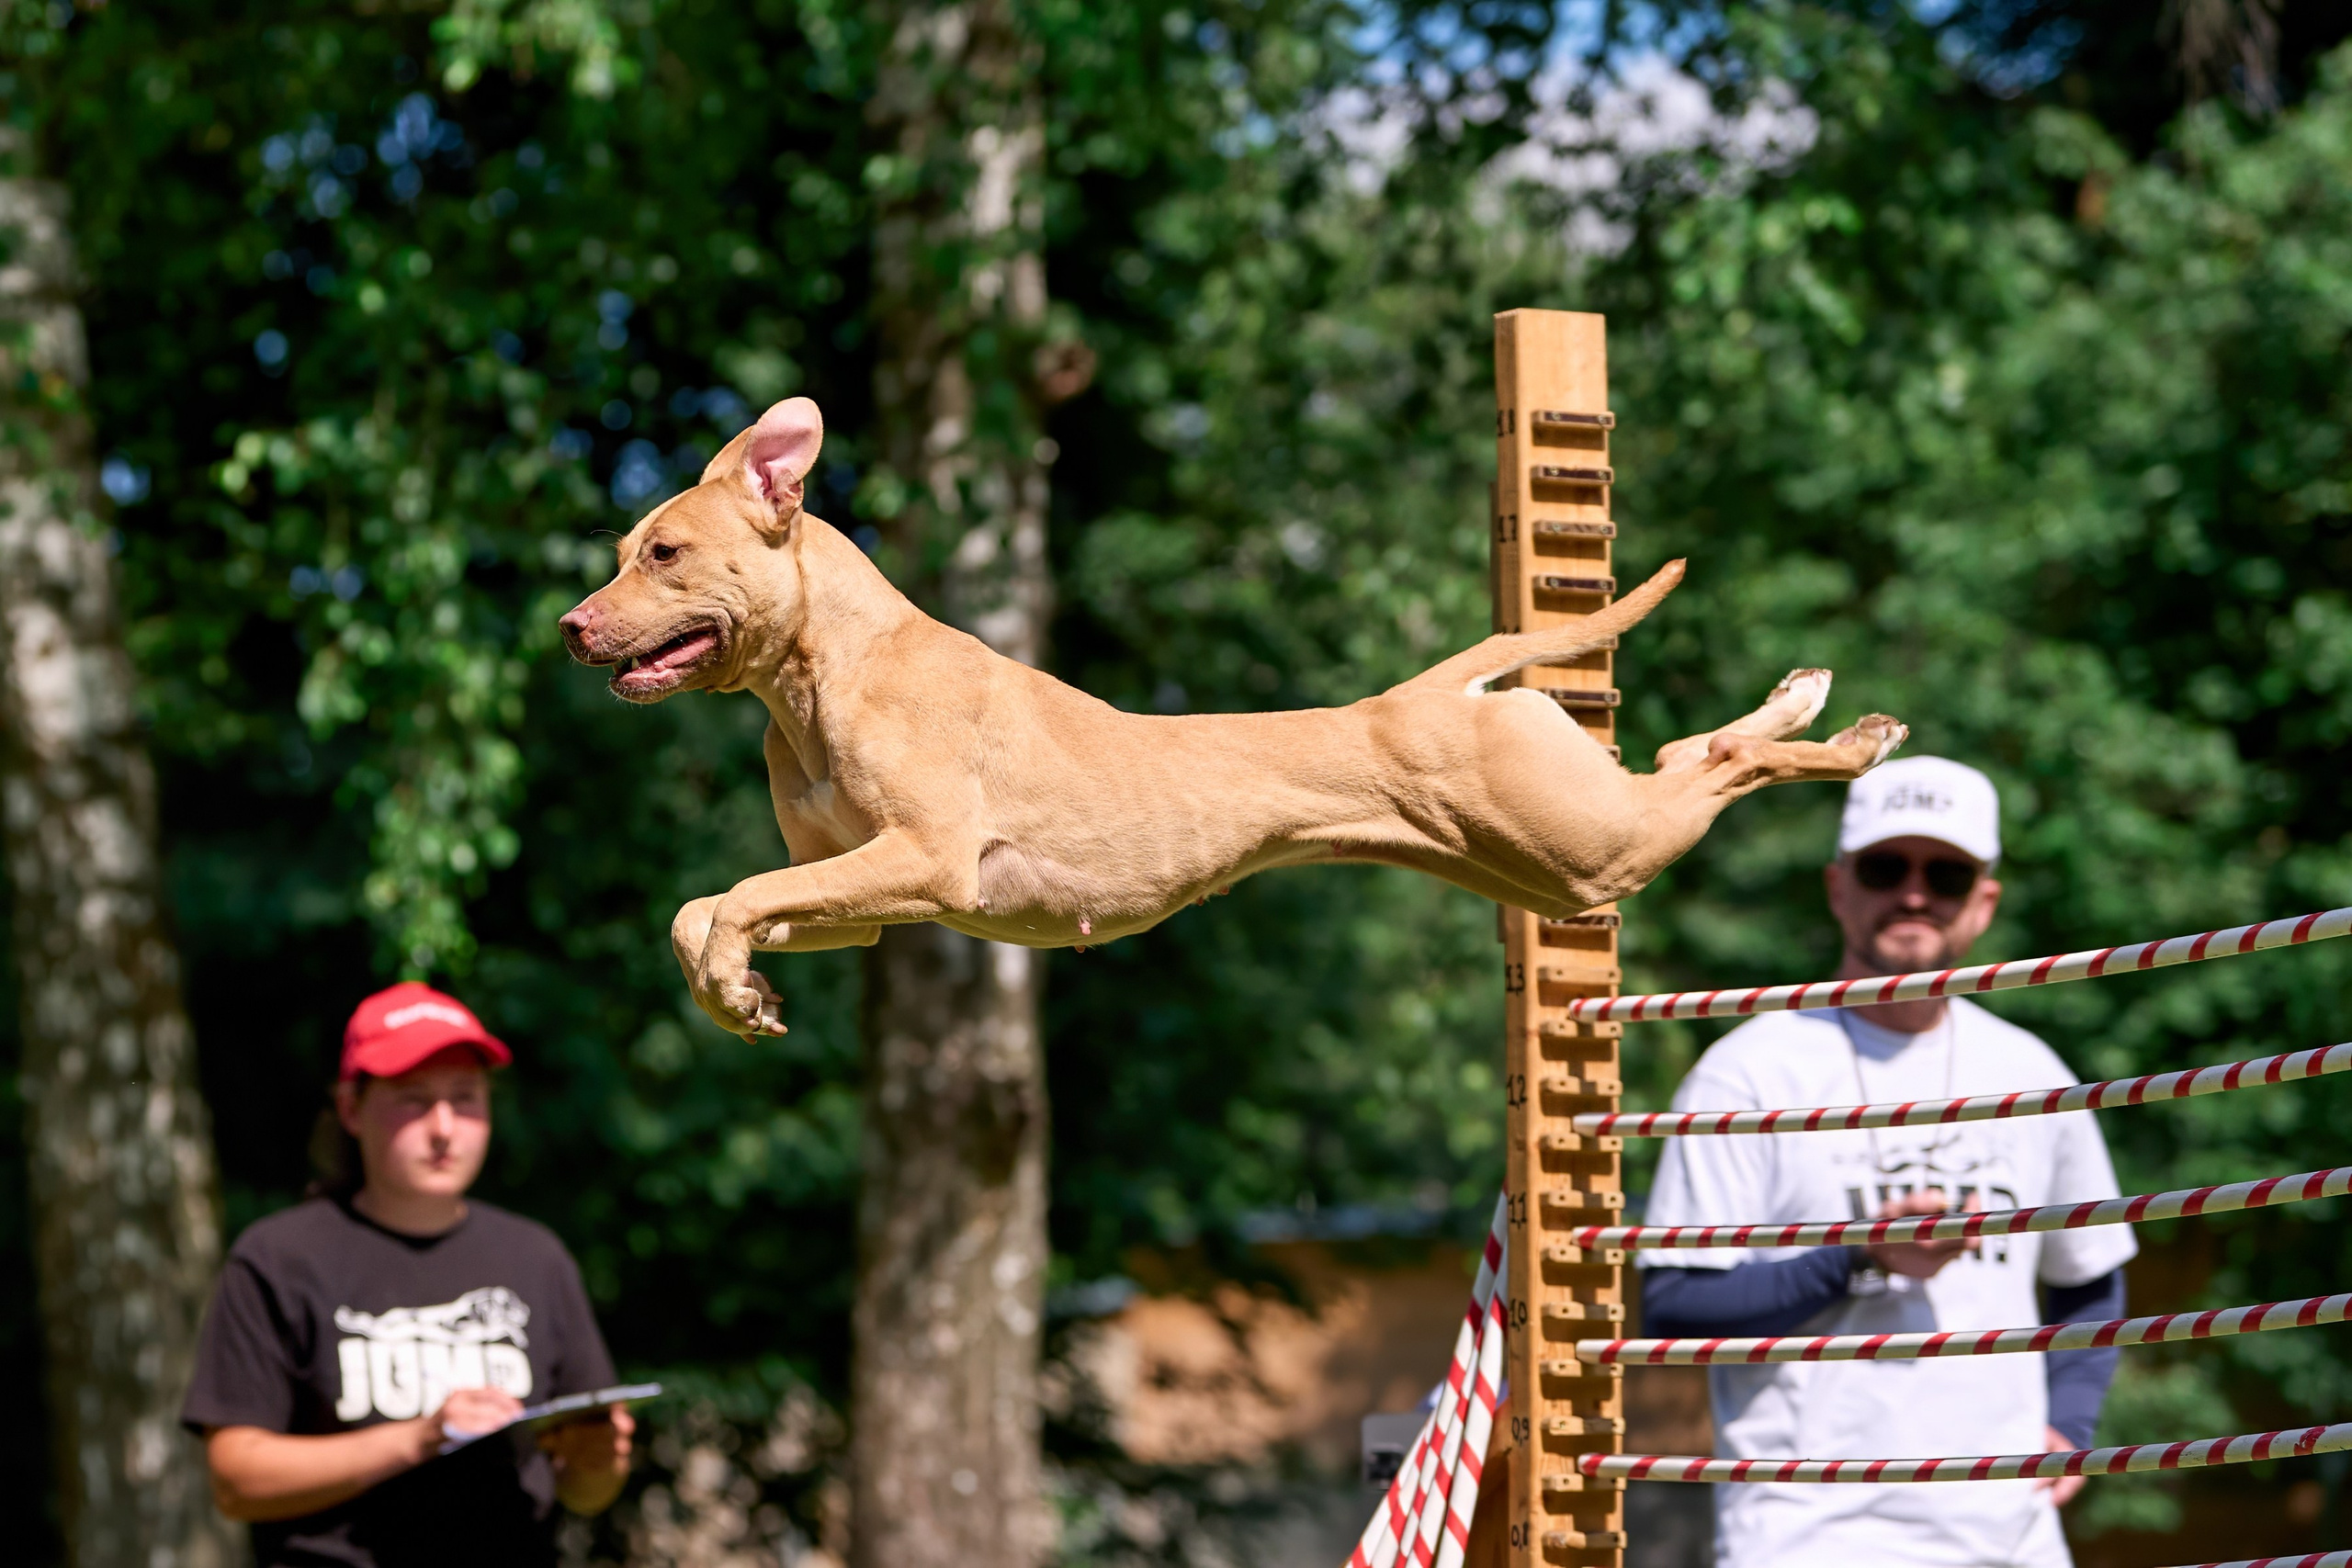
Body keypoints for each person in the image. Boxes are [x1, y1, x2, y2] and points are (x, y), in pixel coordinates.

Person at [1640, 756, 2135, 1568]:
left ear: (1984, 900)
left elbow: (2092, 1277)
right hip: (1805, 1535)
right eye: (1884, 867)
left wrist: (2071, 1420)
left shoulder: (2035, 1074)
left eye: (1944, 873)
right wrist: (1858, 1256)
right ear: (1838, 887)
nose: (1913, 893)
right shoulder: (1748, 1071)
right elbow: (1677, 1305)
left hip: (2010, 1537)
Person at [183, 982, 635, 1566]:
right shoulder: (278, 1258)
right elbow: (236, 1480)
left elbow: (585, 1492)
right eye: (413, 1099)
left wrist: (601, 1463)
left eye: (466, 1097)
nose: (444, 1126)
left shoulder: (536, 1256)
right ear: (351, 1108)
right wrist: (421, 1438)